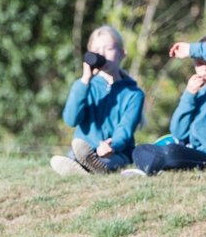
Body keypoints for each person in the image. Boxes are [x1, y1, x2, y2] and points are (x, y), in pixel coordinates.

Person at [130, 35, 206, 175]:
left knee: (172, 152)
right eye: (200, 63)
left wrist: (192, 49)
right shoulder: (197, 93)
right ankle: (154, 166)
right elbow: (179, 132)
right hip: (195, 154)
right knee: (139, 149)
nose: (205, 69)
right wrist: (189, 95)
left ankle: (154, 166)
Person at [51, 25, 144, 176]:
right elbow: (71, 120)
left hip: (115, 153)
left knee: (112, 161)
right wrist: (85, 81)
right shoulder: (85, 87)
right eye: (96, 50)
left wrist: (112, 146)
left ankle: (93, 168)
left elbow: (125, 130)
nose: (101, 53)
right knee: (75, 156)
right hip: (84, 150)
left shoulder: (133, 93)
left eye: (108, 48)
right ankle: (83, 166)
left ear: (122, 53)